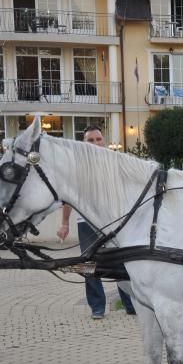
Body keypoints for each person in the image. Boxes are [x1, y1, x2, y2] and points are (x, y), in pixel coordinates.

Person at [57, 125, 136, 319]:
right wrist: (65, 223)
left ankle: (130, 304)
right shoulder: (77, 169)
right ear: (84, 143)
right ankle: (97, 307)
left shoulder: (115, 163)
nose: (95, 143)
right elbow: (69, 198)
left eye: (98, 139)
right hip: (86, 222)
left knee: (121, 262)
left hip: (114, 222)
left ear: (105, 141)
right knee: (88, 263)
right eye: (90, 140)